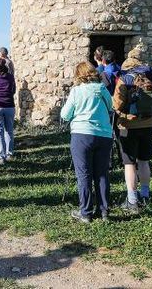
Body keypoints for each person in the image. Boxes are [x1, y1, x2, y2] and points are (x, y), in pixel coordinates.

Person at [112, 45, 152, 214]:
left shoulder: (124, 79)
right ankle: (145, 195)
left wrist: (121, 112)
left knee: (129, 163)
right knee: (144, 161)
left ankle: (132, 200)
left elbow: (117, 104)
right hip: (150, 125)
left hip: (129, 126)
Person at [60, 61, 114, 223]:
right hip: (104, 135)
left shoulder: (76, 91)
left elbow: (65, 115)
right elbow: (110, 107)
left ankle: (86, 213)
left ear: (79, 75)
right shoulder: (102, 89)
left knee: (84, 175)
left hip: (82, 135)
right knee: (102, 174)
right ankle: (104, 211)